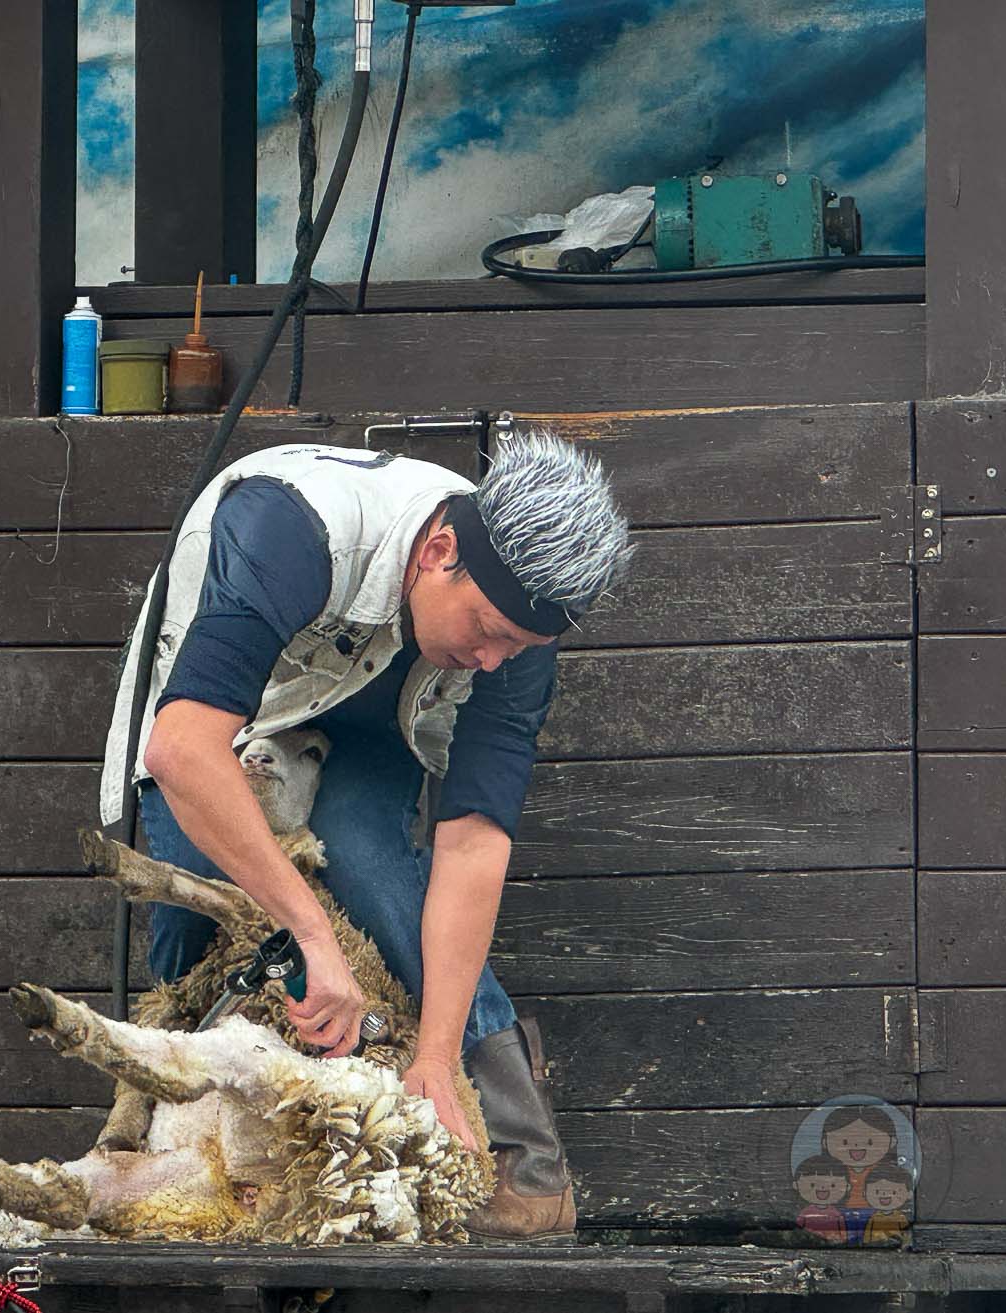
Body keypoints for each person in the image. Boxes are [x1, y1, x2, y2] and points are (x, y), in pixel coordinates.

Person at [98, 430, 634, 1243]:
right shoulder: (291, 527)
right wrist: (308, 933)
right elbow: (182, 749)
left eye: (514, 648)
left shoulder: (515, 625)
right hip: (233, 703)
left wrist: (434, 1051)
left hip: (382, 696)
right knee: (190, 905)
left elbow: (474, 842)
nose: (491, 663)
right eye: (487, 630)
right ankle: (162, 1148)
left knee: (374, 866)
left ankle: (525, 1154)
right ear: (440, 549)